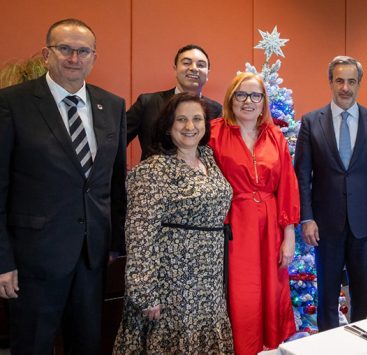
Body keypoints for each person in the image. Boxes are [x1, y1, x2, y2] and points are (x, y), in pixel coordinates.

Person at [0, 18, 127, 353]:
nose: (74, 58)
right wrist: (2, 261)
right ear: (47, 54)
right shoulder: (12, 103)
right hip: (34, 259)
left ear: (94, 57)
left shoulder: (112, 105)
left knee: (86, 345)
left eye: (83, 51)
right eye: (65, 49)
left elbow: (115, 183)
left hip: (91, 258)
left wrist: (115, 244)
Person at [113, 93, 234, 353]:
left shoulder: (208, 158)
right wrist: (145, 292)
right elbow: (139, 234)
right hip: (171, 283)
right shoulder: (152, 170)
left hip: (209, 281)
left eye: (197, 119)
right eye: (181, 120)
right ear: (168, 126)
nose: (190, 126)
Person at [294, 56, 367, 331]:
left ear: (359, 84)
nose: (345, 88)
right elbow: (302, 176)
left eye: (351, 81)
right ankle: (328, 343)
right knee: (327, 295)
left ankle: (360, 341)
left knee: (363, 293)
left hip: (365, 223)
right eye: (339, 81)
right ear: (330, 82)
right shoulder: (312, 122)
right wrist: (307, 218)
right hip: (325, 224)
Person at [209, 72, 299, 352]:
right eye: (241, 94)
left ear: (263, 102)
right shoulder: (214, 133)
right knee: (242, 292)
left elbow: (287, 186)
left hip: (271, 225)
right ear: (231, 99)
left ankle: (269, 347)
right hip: (234, 225)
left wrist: (289, 235)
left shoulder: (275, 136)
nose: (248, 101)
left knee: (272, 290)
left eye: (255, 95)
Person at [127, 44, 223, 160]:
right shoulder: (148, 103)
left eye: (201, 65)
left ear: (208, 73)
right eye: (186, 63)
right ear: (175, 69)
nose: (194, 68)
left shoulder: (217, 110)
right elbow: (117, 141)